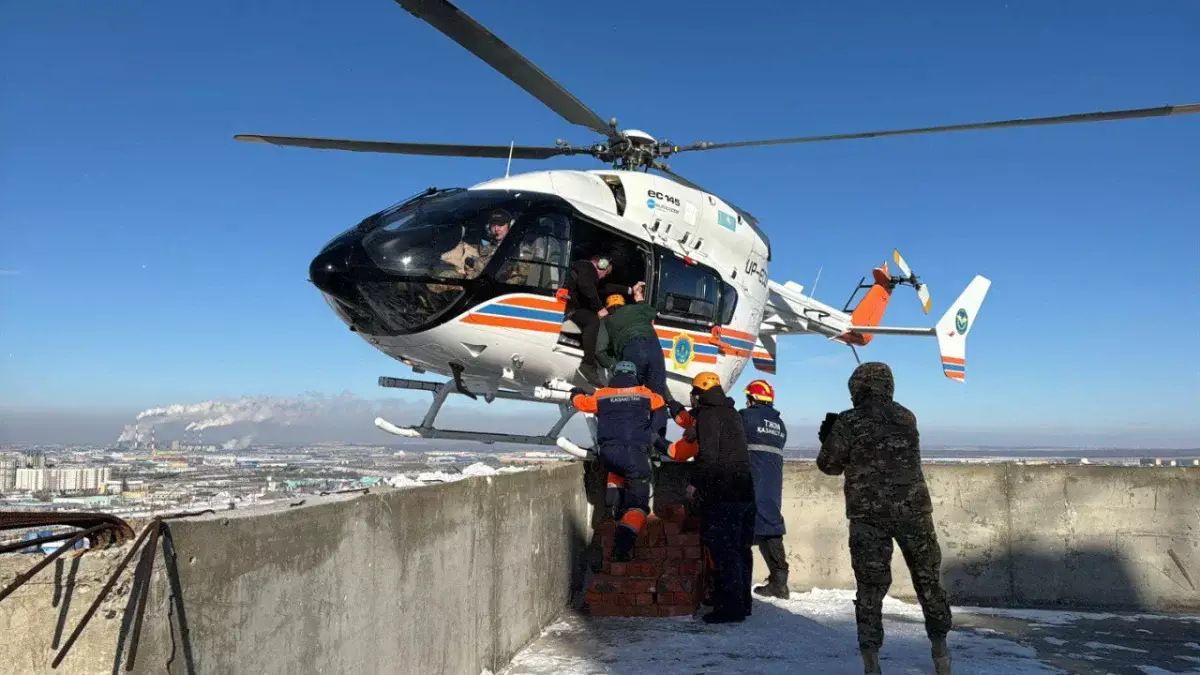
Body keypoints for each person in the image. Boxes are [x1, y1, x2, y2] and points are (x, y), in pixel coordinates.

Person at [816, 362, 952, 675]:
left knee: (870, 589)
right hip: (914, 513)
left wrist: (829, 436)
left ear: (856, 388)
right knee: (928, 581)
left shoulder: (849, 421)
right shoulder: (906, 416)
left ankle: (871, 663)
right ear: (887, 385)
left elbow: (829, 465)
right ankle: (941, 654)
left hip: (868, 517)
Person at [569, 361, 667, 562]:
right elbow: (660, 404)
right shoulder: (643, 393)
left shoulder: (602, 394)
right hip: (634, 455)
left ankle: (613, 511)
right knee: (638, 507)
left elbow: (581, 404)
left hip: (608, 454)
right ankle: (622, 545)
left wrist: (575, 393)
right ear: (634, 375)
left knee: (616, 473)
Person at [683, 371, 756, 624]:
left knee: (725, 552)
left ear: (698, 394)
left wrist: (694, 483)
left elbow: (709, 458)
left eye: (693, 394)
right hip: (745, 491)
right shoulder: (730, 412)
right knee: (741, 549)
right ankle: (742, 602)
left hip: (724, 492)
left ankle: (730, 609)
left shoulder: (708, 415)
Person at [740, 379, 790, 599]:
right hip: (771, 487)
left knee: (739, 534)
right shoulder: (780, 425)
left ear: (752, 399)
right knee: (771, 529)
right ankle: (780, 584)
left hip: (749, 483)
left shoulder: (745, 417)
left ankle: (737, 587)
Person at [599, 285, 668, 438]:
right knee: (659, 398)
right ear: (624, 304)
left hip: (632, 352)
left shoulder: (606, 321)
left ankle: (631, 439)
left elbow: (599, 351)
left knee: (629, 396)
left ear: (608, 308)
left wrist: (614, 365)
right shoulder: (637, 309)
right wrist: (638, 297)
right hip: (654, 350)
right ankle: (657, 443)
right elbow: (651, 311)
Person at [563, 254, 634, 388]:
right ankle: (588, 364)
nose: (604, 277)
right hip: (570, 310)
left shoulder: (585, 272)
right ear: (601, 264)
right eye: (606, 273)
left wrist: (629, 290)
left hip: (571, 309)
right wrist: (600, 308)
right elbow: (585, 286)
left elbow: (605, 288)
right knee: (593, 321)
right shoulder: (586, 267)